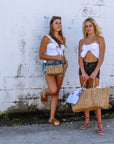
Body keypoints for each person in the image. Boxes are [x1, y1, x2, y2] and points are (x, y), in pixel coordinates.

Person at [78, 17, 105, 135]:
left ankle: (100, 124)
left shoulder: (100, 39)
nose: (88, 28)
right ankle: (87, 120)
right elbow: (80, 58)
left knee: (95, 96)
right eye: (86, 26)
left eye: (90, 25)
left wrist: (95, 71)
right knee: (85, 94)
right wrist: (83, 71)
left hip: (94, 67)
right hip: (84, 67)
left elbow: (102, 57)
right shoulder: (82, 41)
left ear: (94, 26)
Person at [39, 16, 68, 126]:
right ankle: (44, 93)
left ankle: (52, 117)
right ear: (51, 25)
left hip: (60, 66)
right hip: (49, 66)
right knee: (52, 89)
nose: (59, 25)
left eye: (60, 23)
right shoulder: (46, 38)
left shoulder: (62, 38)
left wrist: (66, 63)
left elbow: (62, 54)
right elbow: (41, 55)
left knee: (56, 92)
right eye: (56, 23)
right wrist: (55, 58)